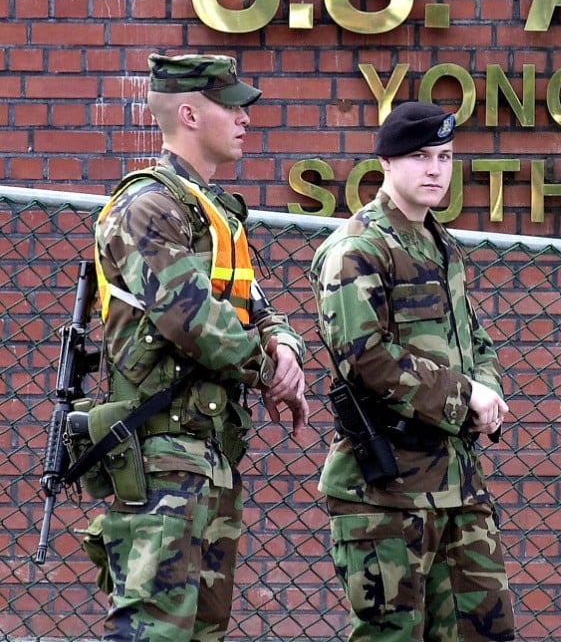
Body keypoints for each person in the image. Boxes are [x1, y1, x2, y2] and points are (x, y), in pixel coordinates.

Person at [91, 53, 309, 641]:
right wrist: (269, 371)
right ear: (189, 112)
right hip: (160, 453)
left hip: (209, 455)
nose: (245, 119)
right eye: (231, 106)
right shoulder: (148, 206)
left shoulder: (211, 212)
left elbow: (257, 306)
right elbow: (192, 318)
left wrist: (286, 351)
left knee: (204, 630)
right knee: (153, 630)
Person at [309, 101, 516, 641]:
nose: (435, 170)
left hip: (458, 486)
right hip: (386, 492)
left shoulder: (439, 244)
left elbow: (475, 340)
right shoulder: (360, 247)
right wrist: (460, 397)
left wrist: (486, 391)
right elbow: (365, 358)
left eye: (445, 157)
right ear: (387, 163)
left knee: (485, 633)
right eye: (420, 157)